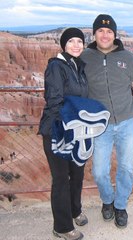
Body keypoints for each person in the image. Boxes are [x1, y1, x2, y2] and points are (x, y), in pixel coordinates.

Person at [81, 14, 133, 228]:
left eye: (109, 31)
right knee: (99, 171)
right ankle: (107, 200)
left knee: (126, 168)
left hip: (127, 122)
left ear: (114, 34)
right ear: (94, 33)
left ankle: (120, 206)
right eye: (100, 31)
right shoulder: (85, 57)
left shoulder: (127, 57)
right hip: (101, 125)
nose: (105, 34)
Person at [38, 28, 89, 240]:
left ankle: (74, 210)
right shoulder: (56, 67)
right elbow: (55, 100)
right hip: (58, 130)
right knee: (61, 179)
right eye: (71, 41)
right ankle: (61, 226)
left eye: (80, 41)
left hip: (76, 130)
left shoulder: (77, 66)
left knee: (76, 174)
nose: (76, 45)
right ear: (64, 45)